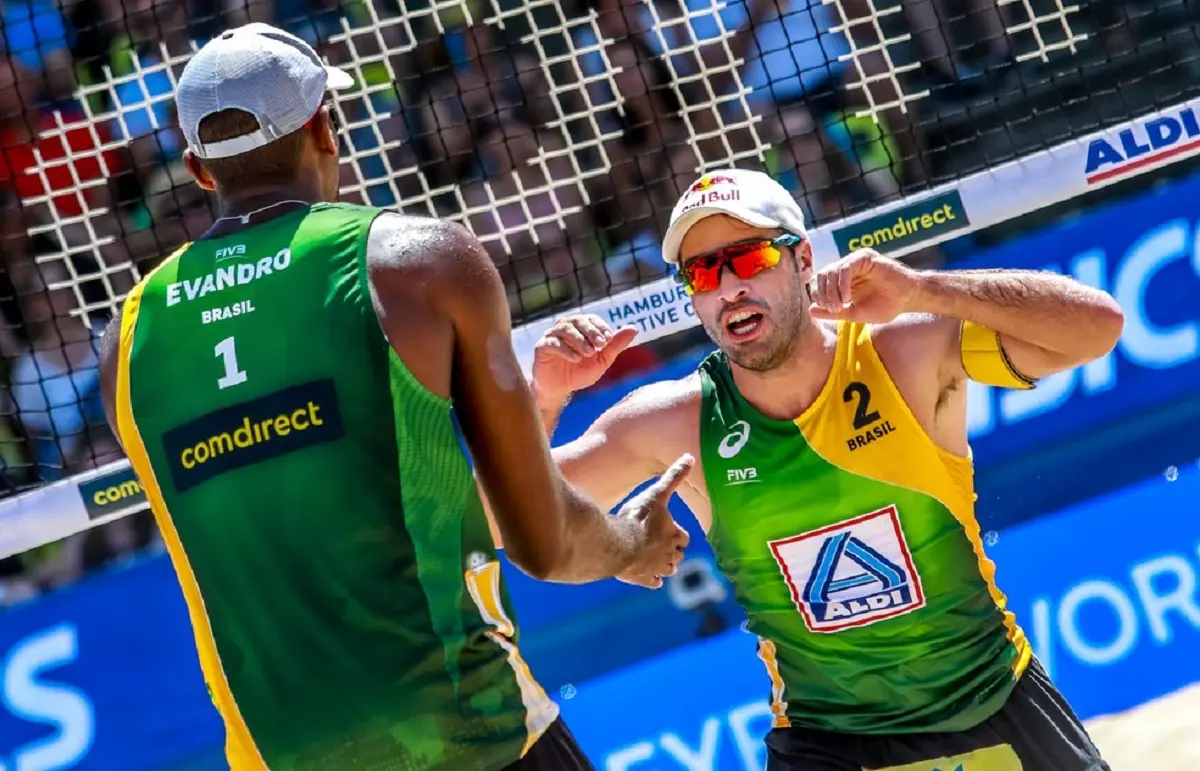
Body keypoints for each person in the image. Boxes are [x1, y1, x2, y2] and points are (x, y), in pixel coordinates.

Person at [95, 22, 693, 771]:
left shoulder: (127, 343)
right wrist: (629, 542)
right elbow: (545, 541)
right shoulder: (416, 265)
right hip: (472, 735)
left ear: (199, 169)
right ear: (324, 128)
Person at [519, 168, 1124, 770]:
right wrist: (543, 403)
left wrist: (922, 289)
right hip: (828, 741)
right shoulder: (671, 418)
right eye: (703, 272)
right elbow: (497, 522)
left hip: (992, 695)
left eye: (749, 258)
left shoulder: (901, 350)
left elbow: (1099, 327)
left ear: (802, 259)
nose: (729, 287)